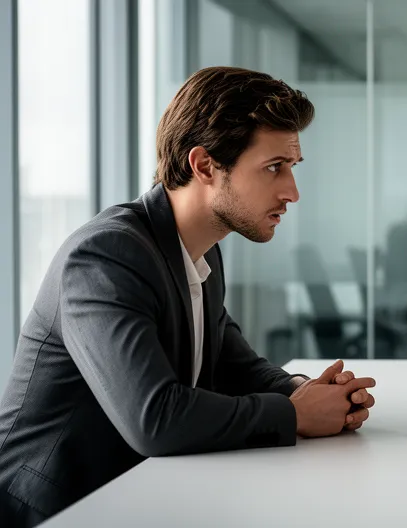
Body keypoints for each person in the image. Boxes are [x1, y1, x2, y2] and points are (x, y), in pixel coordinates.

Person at [0, 66, 376, 527]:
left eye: (292, 168)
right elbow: (154, 418)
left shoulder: (202, 251)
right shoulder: (104, 257)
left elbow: (233, 365)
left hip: (143, 494)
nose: (292, 192)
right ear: (204, 166)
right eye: (274, 168)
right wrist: (294, 415)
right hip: (58, 511)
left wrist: (306, 392)